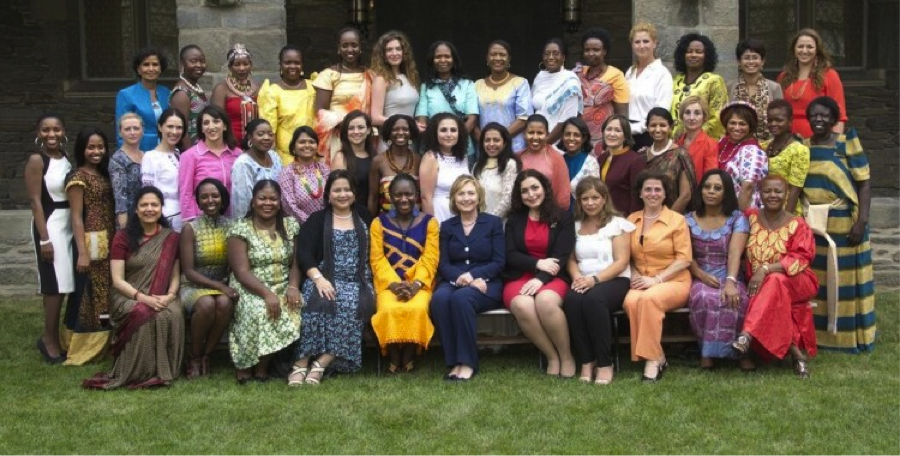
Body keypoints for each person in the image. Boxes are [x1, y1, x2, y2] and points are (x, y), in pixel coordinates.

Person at [82, 187, 183, 389]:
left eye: (154, 204)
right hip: (126, 295)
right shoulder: (123, 237)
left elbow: (175, 275)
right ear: (135, 210)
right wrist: (143, 298)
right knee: (143, 312)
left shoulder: (171, 238)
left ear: (161, 208)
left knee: (170, 314)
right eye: (144, 205)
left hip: (162, 295)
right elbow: (117, 280)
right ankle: (136, 372)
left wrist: (170, 296)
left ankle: (162, 371)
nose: (149, 209)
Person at [803, 96, 875, 353]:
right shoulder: (803, 146)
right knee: (818, 280)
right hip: (813, 225)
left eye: (824, 115)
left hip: (845, 224)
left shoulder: (846, 144)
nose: (818, 119)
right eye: (814, 115)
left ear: (834, 120)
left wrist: (861, 221)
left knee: (843, 280)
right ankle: (819, 336)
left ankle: (847, 337)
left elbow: (864, 183)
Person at [289, 170, 374, 385]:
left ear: (354, 194)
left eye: (347, 190)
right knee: (313, 302)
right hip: (324, 276)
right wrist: (318, 279)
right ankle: (301, 362)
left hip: (358, 280)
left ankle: (322, 363)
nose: (343, 194)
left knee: (350, 304)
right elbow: (305, 254)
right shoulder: (317, 219)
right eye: (337, 190)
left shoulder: (365, 216)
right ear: (328, 195)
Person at [733, 175, 818, 378]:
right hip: (761, 285)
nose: (772, 195)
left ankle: (747, 334)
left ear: (786, 194)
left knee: (775, 279)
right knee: (774, 287)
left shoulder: (797, 224)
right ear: (760, 194)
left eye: (778, 191)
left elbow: (802, 257)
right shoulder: (750, 217)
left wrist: (766, 269)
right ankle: (797, 356)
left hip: (798, 280)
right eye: (767, 191)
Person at [431, 176, 505, 381]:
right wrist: (463, 278)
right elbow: (443, 263)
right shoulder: (446, 226)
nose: (466, 198)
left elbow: (499, 262)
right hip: (455, 281)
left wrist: (474, 276)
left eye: (471, 193)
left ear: (479, 196)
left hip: (487, 284)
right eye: (461, 193)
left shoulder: (493, 223)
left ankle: (468, 362)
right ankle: (454, 361)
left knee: (462, 299)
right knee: (439, 299)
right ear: (454, 198)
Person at [227, 180, 301, 383]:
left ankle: (262, 367)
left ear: (279, 202)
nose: (267, 203)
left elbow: (296, 263)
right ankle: (245, 364)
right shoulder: (240, 229)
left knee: (291, 306)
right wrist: (267, 294)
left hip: (283, 284)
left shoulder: (290, 225)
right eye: (262, 198)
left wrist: (293, 286)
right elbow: (241, 272)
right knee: (257, 309)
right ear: (253, 202)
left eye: (273, 199)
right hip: (249, 286)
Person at [504, 170, 576, 377]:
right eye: (524, 191)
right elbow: (510, 254)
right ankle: (551, 356)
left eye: (535, 187)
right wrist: (538, 264)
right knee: (522, 304)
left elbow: (561, 255)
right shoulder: (514, 220)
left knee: (545, 301)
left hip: (554, 275)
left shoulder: (563, 217)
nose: (531, 194)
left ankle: (567, 356)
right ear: (519, 195)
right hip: (520, 275)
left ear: (545, 188)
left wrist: (540, 278)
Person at [563, 177, 634, 385]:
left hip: (614, 279)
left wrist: (594, 279)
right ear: (580, 202)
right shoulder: (574, 226)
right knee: (572, 300)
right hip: (583, 279)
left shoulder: (617, 224)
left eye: (595, 197)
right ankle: (587, 360)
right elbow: (571, 260)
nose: (590, 203)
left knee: (594, 300)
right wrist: (577, 278)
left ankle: (605, 363)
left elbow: (622, 262)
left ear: (604, 199)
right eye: (585, 198)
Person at [624, 171, 692, 382]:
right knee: (631, 301)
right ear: (641, 194)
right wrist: (635, 275)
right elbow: (626, 256)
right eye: (648, 189)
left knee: (648, 299)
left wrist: (656, 280)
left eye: (657, 190)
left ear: (664, 194)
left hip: (674, 280)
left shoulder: (677, 220)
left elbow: (684, 259)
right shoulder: (631, 219)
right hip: (641, 279)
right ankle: (659, 354)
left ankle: (652, 360)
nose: (652, 193)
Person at [370, 173, 439, 373]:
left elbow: (431, 257)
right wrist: (393, 283)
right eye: (398, 195)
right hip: (388, 284)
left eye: (408, 194)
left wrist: (416, 284)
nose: (403, 199)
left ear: (416, 195)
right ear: (389, 196)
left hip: (420, 284)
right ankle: (393, 357)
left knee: (417, 308)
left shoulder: (430, 223)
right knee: (388, 309)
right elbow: (377, 258)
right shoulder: (378, 223)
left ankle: (408, 357)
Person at [685, 170, 752, 370]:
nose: (711, 192)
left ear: (727, 192)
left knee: (736, 297)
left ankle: (740, 353)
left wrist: (731, 281)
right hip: (699, 273)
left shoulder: (737, 218)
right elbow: (685, 255)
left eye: (717, 188)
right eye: (707, 187)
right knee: (705, 297)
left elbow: (734, 254)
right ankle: (707, 353)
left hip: (728, 271)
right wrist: (700, 275)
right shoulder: (687, 220)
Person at [63, 126, 115, 365]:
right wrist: (82, 253)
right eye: (91, 147)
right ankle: (82, 343)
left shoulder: (103, 174)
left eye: (100, 147)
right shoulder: (78, 177)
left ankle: (105, 337)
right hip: (91, 242)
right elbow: (76, 217)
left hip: (109, 239)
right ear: (82, 149)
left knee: (104, 294)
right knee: (88, 294)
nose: (96, 151)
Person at [26, 114, 73, 364]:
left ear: (63, 130)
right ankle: (49, 340)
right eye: (46, 130)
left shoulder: (64, 157)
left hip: (67, 222)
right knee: (53, 286)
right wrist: (45, 239)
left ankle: (54, 335)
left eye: (56, 129)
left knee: (63, 283)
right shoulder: (37, 160)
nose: (51, 134)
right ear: (38, 132)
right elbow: (35, 201)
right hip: (50, 223)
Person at [179, 178, 236, 378]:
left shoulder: (232, 226)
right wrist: (219, 286)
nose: (210, 200)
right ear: (198, 201)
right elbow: (188, 271)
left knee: (224, 303)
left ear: (222, 198)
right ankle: (194, 356)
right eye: (204, 197)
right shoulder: (190, 228)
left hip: (222, 286)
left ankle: (206, 355)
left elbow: (236, 262)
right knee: (206, 304)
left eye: (215, 195)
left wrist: (226, 285)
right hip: (193, 285)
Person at [314, 27, 373, 164]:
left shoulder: (370, 76)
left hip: (363, 138)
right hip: (336, 138)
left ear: (360, 48)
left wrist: (359, 127)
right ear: (339, 48)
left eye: (354, 45)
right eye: (345, 45)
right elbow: (320, 113)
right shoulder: (328, 75)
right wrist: (348, 124)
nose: (350, 49)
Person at [415, 40, 478, 159]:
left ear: (454, 59)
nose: (443, 60)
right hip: (432, 149)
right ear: (432, 61)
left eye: (447, 56)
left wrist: (453, 141)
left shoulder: (467, 85)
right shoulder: (426, 87)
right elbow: (422, 119)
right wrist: (439, 142)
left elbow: (472, 119)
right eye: (438, 57)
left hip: (463, 149)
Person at [779, 29, 847, 138]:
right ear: (794, 50)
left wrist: (835, 144)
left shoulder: (829, 75)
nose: (804, 51)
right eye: (800, 46)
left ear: (817, 51)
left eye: (810, 47)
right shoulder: (784, 77)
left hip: (817, 138)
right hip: (787, 138)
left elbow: (839, 115)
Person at [179, 105, 241, 221]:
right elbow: (185, 192)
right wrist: (191, 222)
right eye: (206, 123)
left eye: (216, 121)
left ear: (225, 126)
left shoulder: (238, 155)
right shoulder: (189, 156)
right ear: (201, 128)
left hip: (232, 219)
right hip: (202, 220)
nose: (211, 127)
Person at [258, 44, 317, 165]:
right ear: (280, 64)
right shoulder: (272, 92)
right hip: (286, 158)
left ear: (302, 65)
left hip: (314, 154)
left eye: (297, 62)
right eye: (287, 62)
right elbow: (270, 131)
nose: (292, 66)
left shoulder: (314, 87)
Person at [474, 40, 533, 153]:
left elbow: (523, 119)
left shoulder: (520, 83)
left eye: (502, 54)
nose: (497, 58)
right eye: (493, 54)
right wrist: (485, 141)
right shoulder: (477, 85)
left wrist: (498, 139)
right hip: (485, 149)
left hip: (513, 148)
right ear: (487, 58)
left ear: (509, 59)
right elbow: (472, 118)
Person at [574, 27, 629, 146]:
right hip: (577, 137)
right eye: (587, 50)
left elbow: (622, 114)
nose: (590, 53)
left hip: (604, 138)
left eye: (596, 49)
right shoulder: (577, 74)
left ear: (605, 51)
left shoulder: (616, 75)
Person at [625, 21, 673, 150]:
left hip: (649, 135)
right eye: (637, 42)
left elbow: (662, 111)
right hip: (627, 136)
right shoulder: (630, 72)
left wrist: (635, 128)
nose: (641, 46)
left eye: (646, 41)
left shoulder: (662, 74)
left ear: (654, 43)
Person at [671, 33, 728, 138]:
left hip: (702, 142)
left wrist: (691, 136)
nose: (693, 55)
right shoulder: (676, 80)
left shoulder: (715, 81)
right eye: (689, 51)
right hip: (674, 142)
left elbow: (717, 117)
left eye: (699, 52)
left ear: (707, 56)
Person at [640, 108, 695, 213]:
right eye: (653, 125)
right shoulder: (642, 155)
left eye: (662, 125)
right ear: (647, 128)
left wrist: (666, 219)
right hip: (645, 215)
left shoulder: (680, 154)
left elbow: (685, 195)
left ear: (670, 127)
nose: (657, 129)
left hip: (673, 218)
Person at [728, 38, 783, 142]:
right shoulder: (729, 87)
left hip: (768, 145)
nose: (751, 61)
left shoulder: (774, 88)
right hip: (735, 145)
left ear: (762, 61)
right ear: (739, 62)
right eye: (746, 58)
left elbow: (780, 119)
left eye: (755, 57)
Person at [116, 47, 170, 151]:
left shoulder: (167, 93)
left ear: (160, 68)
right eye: (146, 64)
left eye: (155, 64)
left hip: (165, 149)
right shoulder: (126, 95)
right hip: (139, 150)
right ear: (138, 69)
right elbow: (121, 132)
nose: (151, 69)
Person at [141, 108, 187, 231]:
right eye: (170, 126)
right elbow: (148, 193)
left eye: (179, 128)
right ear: (160, 127)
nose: (174, 131)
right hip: (164, 221)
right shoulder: (151, 157)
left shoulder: (182, 155)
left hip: (186, 219)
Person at [419, 113, 470, 223]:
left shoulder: (464, 157)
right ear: (435, 133)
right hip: (440, 214)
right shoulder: (430, 157)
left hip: (462, 215)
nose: (448, 134)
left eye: (453, 130)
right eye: (443, 130)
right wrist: (432, 228)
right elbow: (425, 198)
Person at [531, 38, 583, 144]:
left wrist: (545, 143)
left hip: (558, 142)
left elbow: (567, 120)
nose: (550, 57)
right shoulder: (539, 77)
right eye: (547, 54)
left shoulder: (570, 81)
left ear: (563, 57)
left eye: (555, 54)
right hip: (536, 139)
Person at [718, 101, 769, 210]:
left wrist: (739, 219)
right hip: (721, 209)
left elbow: (748, 187)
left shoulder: (752, 150)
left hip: (742, 211)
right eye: (732, 123)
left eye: (742, 124)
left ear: (750, 126)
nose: (736, 128)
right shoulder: (723, 142)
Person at [368, 114, 421, 215]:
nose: (400, 133)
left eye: (405, 129)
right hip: (386, 222)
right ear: (388, 132)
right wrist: (371, 224)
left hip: (416, 223)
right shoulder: (378, 161)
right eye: (395, 129)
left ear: (411, 132)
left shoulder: (419, 160)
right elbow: (373, 198)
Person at [764, 99, 809, 214]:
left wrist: (785, 220)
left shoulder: (799, 150)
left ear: (790, 121)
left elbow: (795, 190)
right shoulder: (764, 146)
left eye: (779, 120)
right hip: (764, 208)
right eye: (770, 120)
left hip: (787, 210)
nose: (773, 124)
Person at [369, 31, 420, 134]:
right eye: (389, 50)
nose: (394, 53)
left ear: (404, 53)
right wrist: (407, 124)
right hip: (391, 137)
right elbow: (375, 118)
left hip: (410, 136)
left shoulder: (410, 77)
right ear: (383, 55)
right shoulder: (381, 80)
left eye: (398, 49)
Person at [594, 114, 645, 214]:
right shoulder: (602, 158)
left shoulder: (635, 161)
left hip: (623, 219)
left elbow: (638, 198)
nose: (612, 134)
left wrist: (632, 222)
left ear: (625, 136)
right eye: (609, 129)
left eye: (617, 130)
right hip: (602, 216)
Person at [231, 119, 283, 218]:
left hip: (275, 217)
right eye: (260, 134)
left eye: (270, 134)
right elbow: (241, 202)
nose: (267, 138)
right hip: (252, 221)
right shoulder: (243, 164)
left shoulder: (275, 157)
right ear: (250, 137)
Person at [278, 126, 329, 225]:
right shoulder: (288, 173)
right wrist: (311, 224)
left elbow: (332, 197)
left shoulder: (324, 169)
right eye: (302, 142)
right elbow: (289, 206)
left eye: (311, 142)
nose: (307, 145)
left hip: (327, 225)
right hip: (300, 228)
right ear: (294, 147)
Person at [518, 114, 571, 209]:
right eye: (531, 132)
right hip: (522, 214)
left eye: (540, 133)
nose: (535, 137)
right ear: (524, 134)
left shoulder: (556, 159)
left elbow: (563, 196)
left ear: (547, 134)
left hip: (549, 214)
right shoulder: (518, 157)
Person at [211, 43, 259, 145]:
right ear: (230, 67)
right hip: (230, 145)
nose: (242, 68)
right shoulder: (221, 89)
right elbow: (216, 120)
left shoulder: (258, 88)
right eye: (237, 64)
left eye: (246, 64)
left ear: (251, 66)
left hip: (255, 146)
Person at [472, 122, 519, 220]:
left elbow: (508, 199)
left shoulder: (509, 164)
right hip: (476, 222)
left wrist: (491, 221)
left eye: (496, 140)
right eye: (487, 140)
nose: (491, 144)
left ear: (504, 143)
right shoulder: (477, 166)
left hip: (498, 223)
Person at [331, 110, 374, 210]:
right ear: (346, 132)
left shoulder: (375, 156)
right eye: (351, 128)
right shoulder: (341, 157)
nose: (356, 132)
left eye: (360, 127)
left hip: (374, 215)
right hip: (350, 213)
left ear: (368, 130)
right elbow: (338, 193)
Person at [170, 44, 209, 151]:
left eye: (202, 61)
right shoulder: (182, 93)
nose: (199, 65)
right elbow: (182, 129)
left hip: (201, 148)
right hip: (191, 150)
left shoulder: (194, 87)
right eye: (193, 61)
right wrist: (191, 157)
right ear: (182, 64)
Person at [110, 113, 144, 229]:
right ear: (120, 132)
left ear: (142, 130)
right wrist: (124, 229)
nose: (132, 132)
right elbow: (120, 198)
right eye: (127, 129)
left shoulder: (146, 156)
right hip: (129, 220)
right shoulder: (118, 159)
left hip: (147, 215)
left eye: (136, 128)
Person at [675, 96, 718, 185]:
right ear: (682, 116)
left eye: (697, 113)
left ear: (704, 117)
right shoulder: (676, 142)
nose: (691, 118)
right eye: (687, 112)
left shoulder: (710, 144)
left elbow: (710, 178)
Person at [558, 117, 599, 210]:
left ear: (583, 138)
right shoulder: (558, 160)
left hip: (583, 214)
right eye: (567, 134)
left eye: (576, 135)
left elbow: (595, 193)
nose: (571, 138)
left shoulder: (591, 163)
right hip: (560, 215)